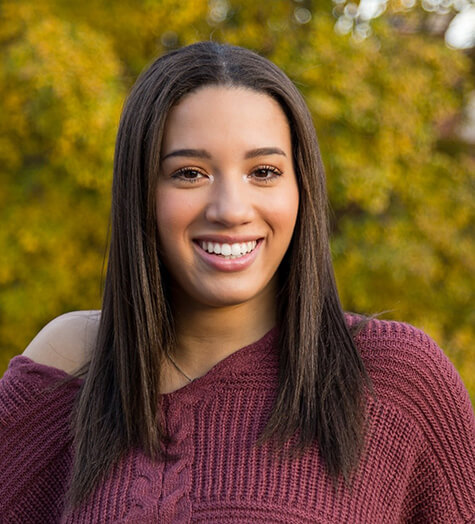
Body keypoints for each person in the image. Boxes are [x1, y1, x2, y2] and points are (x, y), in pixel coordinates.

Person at [0, 41, 474, 523]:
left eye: (263, 171)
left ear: (301, 187)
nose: (230, 209)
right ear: (140, 191)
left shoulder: (396, 380)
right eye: (189, 173)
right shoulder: (70, 363)